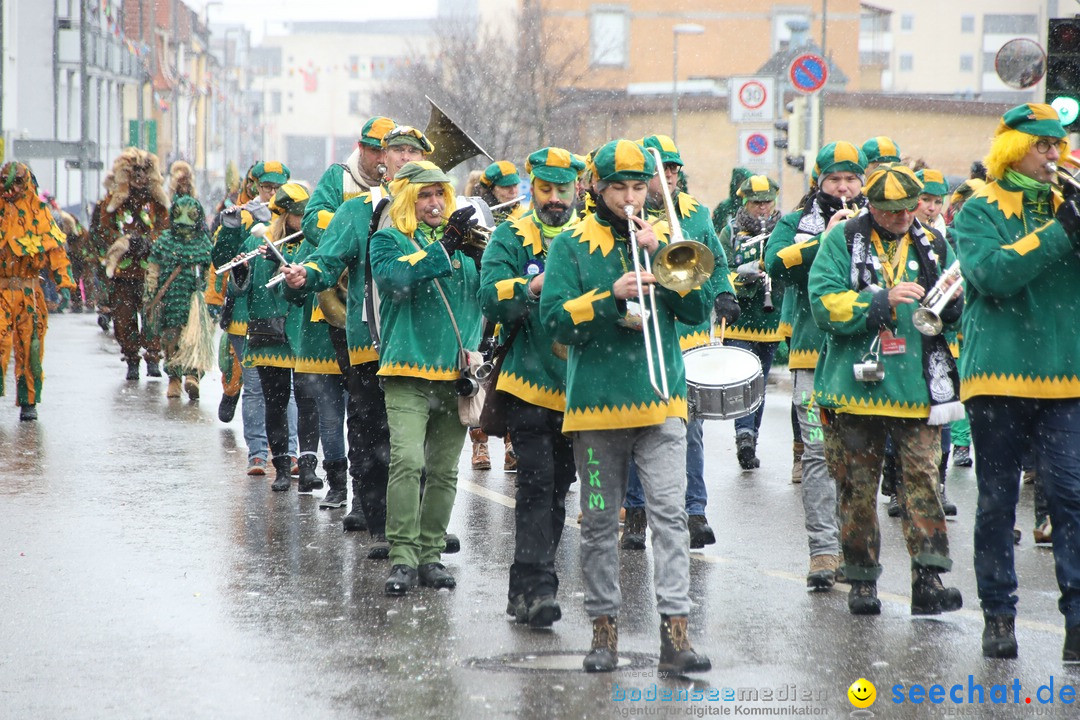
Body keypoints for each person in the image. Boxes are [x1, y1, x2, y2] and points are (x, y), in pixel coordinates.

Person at [541, 139, 711, 674]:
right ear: (597, 187)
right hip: (595, 406)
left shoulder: (666, 237)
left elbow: (696, 310)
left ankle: (677, 638)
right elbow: (553, 319)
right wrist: (608, 295)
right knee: (596, 524)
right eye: (620, 187)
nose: (632, 197)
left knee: (670, 519)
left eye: (640, 186)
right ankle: (603, 635)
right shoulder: (569, 243)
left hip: (662, 402)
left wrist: (663, 254)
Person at [808, 164, 964, 617]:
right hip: (854, 388)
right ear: (870, 206)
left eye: (908, 209)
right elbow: (823, 304)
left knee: (923, 482)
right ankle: (860, 581)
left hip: (917, 386)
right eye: (891, 211)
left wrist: (951, 303)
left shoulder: (933, 240)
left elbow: (956, 297)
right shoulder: (842, 239)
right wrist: (879, 300)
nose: (902, 218)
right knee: (856, 487)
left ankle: (928, 578)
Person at [953, 102, 1080, 661]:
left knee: (1072, 497)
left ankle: (1077, 621)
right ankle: (999, 615)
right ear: (1013, 150)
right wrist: (1061, 231)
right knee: (997, 499)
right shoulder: (975, 208)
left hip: (1066, 373)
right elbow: (992, 275)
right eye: (1043, 146)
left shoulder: (1065, 204)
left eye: (1060, 146)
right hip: (999, 373)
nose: (1056, 156)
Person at [479, 146, 583, 628]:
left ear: (578, 189)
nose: (556, 199)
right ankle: (541, 586)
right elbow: (490, 297)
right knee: (538, 484)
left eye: (564, 190)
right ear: (531, 188)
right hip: (526, 381)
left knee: (559, 489)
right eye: (547, 190)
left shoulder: (591, 238)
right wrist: (530, 288)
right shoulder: (510, 234)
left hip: (579, 386)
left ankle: (525, 585)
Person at [367, 161, 483, 595]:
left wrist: (485, 261)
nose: (434, 204)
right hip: (405, 370)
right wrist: (446, 247)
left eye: (440, 195)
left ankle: (431, 554)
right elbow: (396, 280)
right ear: (406, 201)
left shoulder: (467, 244)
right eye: (424, 196)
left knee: (443, 471)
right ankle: (402, 556)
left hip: (456, 372)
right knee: (408, 462)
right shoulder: (388, 239)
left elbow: (489, 297)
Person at [620, 133, 738, 551]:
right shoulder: (625, 212)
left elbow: (716, 260)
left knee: (690, 429)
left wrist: (725, 292)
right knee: (641, 424)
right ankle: (635, 513)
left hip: (687, 332)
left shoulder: (697, 213)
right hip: (643, 327)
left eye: (673, 169)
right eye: (659, 170)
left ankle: (695, 511)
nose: (668, 176)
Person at [765, 141, 866, 591]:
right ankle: (823, 551)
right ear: (819, 183)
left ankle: (854, 549)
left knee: (859, 456)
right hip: (811, 355)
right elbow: (776, 266)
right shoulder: (794, 223)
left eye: (850, 180)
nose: (843, 188)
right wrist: (826, 238)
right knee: (820, 456)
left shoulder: (878, 223)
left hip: (866, 355)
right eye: (834, 181)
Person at [213, 175, 308, 493]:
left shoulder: (312, 241)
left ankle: (298, 459)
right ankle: (267, 458)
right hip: (266, 332)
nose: (304, 218)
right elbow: (237, 286)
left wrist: (292, 264)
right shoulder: (256, 238)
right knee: (268, 397)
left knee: (301, 397)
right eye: (299, 212)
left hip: (302, 332)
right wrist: (239, 265)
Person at [0, 162, 76, 420]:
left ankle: (28, 401)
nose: (10, 189)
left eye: (17, 183)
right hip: (0, 290)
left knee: (30, 346)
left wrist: (64, 281)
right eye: (5, 183)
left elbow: (56, 249)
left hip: (29, 292)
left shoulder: (39, 211)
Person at [719, 174, 784, 470]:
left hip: (770, 319)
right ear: (745, 201)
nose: (762, 208)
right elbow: (720, 270)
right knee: (743, 378)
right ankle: (743, 436)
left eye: (767, 202)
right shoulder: (730, 230)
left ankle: (751, 437)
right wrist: (742, 274)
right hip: (740, 318)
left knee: (759, 382)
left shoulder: (783, 229)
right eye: (757, 202)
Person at [94, 148, 170, 380]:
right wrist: (123, 242)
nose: (139, 177)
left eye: (144, 171)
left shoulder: (157, 202)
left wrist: (149, 242)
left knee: (152, 317)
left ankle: (153, 357)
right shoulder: (113, 201)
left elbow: (166, 229)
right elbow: (102, 232)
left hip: (151, 272)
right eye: (134, 171)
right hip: (123, 273)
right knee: (124, 320)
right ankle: (132, 360)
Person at [144, 195, 213, 400]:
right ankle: (174, 378)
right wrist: (150, 293)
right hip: (170, 300)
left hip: (194, 302)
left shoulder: (204, 243)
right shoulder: (165, 241)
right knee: (170, 341)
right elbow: (153, 270)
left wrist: (209, 299)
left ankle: (193, 375)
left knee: (194, 340)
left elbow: (210, 273)